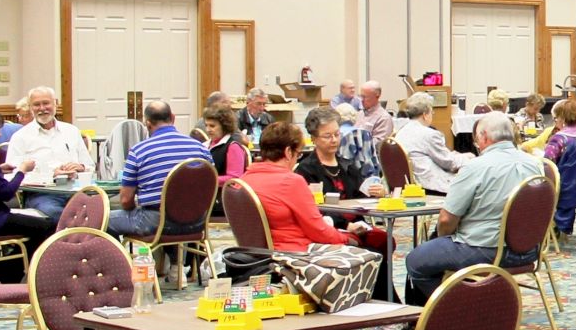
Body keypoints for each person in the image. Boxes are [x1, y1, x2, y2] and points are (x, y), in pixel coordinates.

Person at [402, 114, 549, 306]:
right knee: (435, 250)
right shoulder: (536, 165)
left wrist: (442, 238)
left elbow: (446, 221)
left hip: (485, 250)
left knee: (416, 261)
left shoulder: (474, 168)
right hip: (529, 250)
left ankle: (456, 310)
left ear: (484, 137)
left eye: (476, 139)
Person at [244, 121, 377, 250]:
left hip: (256, 252)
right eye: (298, 154)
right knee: (373, 249)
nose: (297, 158)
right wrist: (347, 239)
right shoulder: (291, 181)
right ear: (288, 152)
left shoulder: (244, 180)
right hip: (295, 252)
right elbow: (318, 230)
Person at [107, 100, 210, 242]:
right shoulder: (201, 148)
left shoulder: (139, 151)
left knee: (102, 219)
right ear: (173, 118)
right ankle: (175, 262)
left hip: (156, 223)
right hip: (196, 223)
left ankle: (117, 263)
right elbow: (209, 188)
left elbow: (125, 201)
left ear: (147, 124)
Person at [0, 103, 55, 282]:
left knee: (31, 225)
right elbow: (5, 193)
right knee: (46, 225)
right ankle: (14, 272)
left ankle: (4, 269)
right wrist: (22, 171)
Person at [4, 86, 94, 220]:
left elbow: (90, 166)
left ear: (55, 104)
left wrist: (80, 167)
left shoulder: (72, 131)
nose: (42, 108)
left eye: (46, 103)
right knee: (57, 215)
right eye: (36, 105)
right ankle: (71, 240)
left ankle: (96, 241)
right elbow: (13, 176)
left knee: (100, 213)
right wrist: (51, 177)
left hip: (76, 191)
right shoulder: (20, 137)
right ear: (30, 108)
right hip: (42, 196)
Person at [395, 96, 471, 192]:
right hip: (430, 185)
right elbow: (448, 162)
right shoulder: (430, 134)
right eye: (432, 112)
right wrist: (468, 158)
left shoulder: (401, 132)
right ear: (425, 115)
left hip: (412, 184)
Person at [199, 106, 250, 182]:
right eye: (206, 125)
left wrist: (207, 180)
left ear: (224, 126)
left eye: (212, 126)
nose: (208, 130)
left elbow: (234, 178)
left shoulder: (233, 147)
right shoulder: (205, 145)